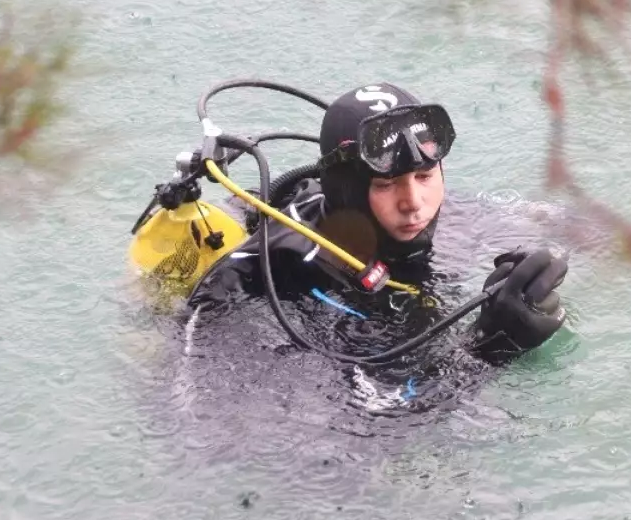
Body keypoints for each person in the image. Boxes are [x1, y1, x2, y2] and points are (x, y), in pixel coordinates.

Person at [184, 81, 570, 366]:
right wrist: (490, 349)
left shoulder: (451, 214)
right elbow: (370, 434)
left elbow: (592, 235)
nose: (414, 204)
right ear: (346, 189)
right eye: (386, 184)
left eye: (424, 176)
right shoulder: (275, 270)